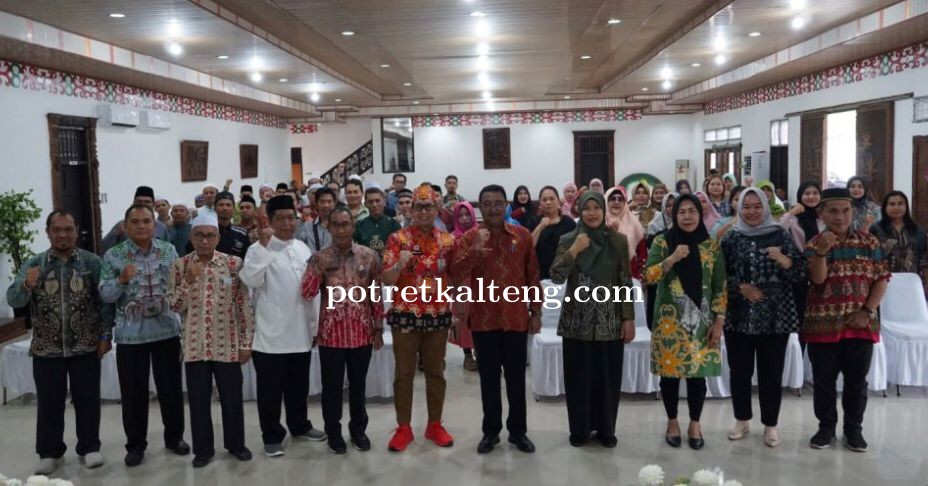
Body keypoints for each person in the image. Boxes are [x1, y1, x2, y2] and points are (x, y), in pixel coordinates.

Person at [6, 210, 108, 475]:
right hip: (46, 347)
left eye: (68, 229)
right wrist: (26, 286)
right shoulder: (34, 263)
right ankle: (50, 452)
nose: (63, 234)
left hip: (85, 345)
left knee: (87, 399)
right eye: (57, 229)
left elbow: (105, 302)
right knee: (50, 403)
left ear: (76, 231)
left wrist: (105, 336)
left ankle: (89, 447)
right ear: (48, 232)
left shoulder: (91, 262)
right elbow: (14, 300)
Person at [451, 185, 542, 454]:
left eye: (498, 203)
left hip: (515, 319)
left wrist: (535, 311)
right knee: (489, 381)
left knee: (516, 380)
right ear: (480, 207)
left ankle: (518, 432)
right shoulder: (469, 238)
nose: (493, 208)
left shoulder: (522, 236)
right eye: (487, 203)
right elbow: (455, 273)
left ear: (505, 205)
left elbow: (532, 276)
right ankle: (491, 432)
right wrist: (475, 251)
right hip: (484, 320)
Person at [99, 204, 188, 467]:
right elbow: (105, 295)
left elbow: (179, 288)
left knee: (171, 390)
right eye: (135, 222)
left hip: (166, 332)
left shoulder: (168, 250)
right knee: (134, 394)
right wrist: (122, 281)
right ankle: (136, 445)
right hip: (130, 337)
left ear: (154, 225)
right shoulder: (114, 256)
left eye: (146, 221)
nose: (141, 226)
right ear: (125, 226)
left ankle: (175, 438)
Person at [803, 188, 889, 452]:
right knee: (824, 381)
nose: (840, 217)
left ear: (853, 211)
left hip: (860, 325)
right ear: (821, 213)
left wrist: (867, 311)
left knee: (856, 381)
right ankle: (826, 428)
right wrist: (821, 252)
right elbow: (817, 280)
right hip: (822, 325)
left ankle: (854, 429)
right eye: (833, 211)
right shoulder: (813, 244)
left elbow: (882, 279)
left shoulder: (869, 242)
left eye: (845, 210)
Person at [240, 195, 326, 457]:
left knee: (298, 386)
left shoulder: (302, 248)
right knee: (270, 391)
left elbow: (314, 291)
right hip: (271, 335)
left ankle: (299, 426)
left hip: (300, 331)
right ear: (271, 221)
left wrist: (314, 327)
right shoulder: (258, 248)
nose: (287, 223)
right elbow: (250, 280)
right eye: (281, 218)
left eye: (291, 218)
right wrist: (265, 248)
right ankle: (272, 435)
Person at [720, 188, 807, 448]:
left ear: (766, 207)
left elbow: (800, 272)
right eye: (746, 207)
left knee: (771, 373)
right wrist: (739, 287)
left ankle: (771, 424)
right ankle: (742, 419)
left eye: (757, 206)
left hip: (775, 317)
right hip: (739, 316)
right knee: (740, 372)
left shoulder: (780, 234)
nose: (752, 211)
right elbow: (718, 275)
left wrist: (785, 260)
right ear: (739, 209)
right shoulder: (731, 238)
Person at [550, 191, 636, 448]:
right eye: (586, 208)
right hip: (577, 322)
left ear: (603, 209)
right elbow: (555, 276)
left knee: (607, 380)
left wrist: (628, 318)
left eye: (596, 207)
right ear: (579, 211)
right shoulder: (568, 239)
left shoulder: (618, 240)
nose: (591, 213)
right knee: (578, 380)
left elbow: (625, 280)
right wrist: (574, 251)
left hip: (610, 322)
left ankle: (607, 430)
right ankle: (579, 430)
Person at [167, 213, 254, 467]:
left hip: (226, 344)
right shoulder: (180, 266)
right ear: (192, 237)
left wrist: (246, 343)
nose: (204, 241)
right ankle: (203, 450)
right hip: (195, 346)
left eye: (210, 236)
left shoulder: (234, 264)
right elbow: (174, 305)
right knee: (198, 401)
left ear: (217, 237)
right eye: (199, 235)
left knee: (232, 399)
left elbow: (244, 307)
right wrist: (188, 281)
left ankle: (236, 444)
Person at [644, 194, 726, 451]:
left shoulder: (711, 247)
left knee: (697, 377)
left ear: (700, 215)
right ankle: (672, 422)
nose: (688, 216)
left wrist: (719, 320)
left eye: (692, 211)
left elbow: (720, 286)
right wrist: (670, 260)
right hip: (669, 321)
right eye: (682, 212)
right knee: (669, 376)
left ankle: (695, 424)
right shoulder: (662, 242)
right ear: (674, 216)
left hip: (702, 323)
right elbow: (648, 275)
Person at [301, 206, 384, 455]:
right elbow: (306, 293)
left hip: (361, 333)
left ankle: (358, 431)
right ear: (328, 226)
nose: (340, 228)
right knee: (332, 389)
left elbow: (376, 294)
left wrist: (378, 327)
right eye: (335, 224)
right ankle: (334, 434)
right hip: (331, 336)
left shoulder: (368, 256)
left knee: (358, 387)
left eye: (345, 223)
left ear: (352, 226)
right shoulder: (319, 258)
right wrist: (318, 270)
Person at [381, 183, 458, 452]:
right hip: (405, 315)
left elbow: (458, 278)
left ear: (437, 208)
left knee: (436, 373)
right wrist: (399, 264)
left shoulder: (448, 241)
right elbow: (387, 279)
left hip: (438, 315)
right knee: (404, 374)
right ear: (410, 209)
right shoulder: (398, 239)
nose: (424, 211)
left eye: (429, 206)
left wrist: (458, 313)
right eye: (419, 206)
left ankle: (434, 424)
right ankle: (404, 427)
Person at [869, 191, 927, 288]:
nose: (896, 207)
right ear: (885, 207)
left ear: (906, 206)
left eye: (900, 204)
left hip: (911, 281)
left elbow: (925, 261)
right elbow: (870, 258)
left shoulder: (917, 231)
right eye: (892, 204)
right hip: (882, 283)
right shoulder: (875, 229)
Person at [449, 200, 478, 371]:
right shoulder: (452, 238)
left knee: (481, 317)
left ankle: (480, 352)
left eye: (467, 214)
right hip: (462, 284)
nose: (465, 218)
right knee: (464, 318)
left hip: (481, 282)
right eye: (460, 215)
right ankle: (467, 354)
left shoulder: (481, 233)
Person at [645, 192, 678, 331]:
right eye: (669, 205)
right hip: (658, 279)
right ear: (664, 208)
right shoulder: (656, 229)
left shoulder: (692, 229)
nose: (672, 208)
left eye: (675, 204)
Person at [101, 186, 170, 252]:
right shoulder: (122, 225)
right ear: (134, 203)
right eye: (139, 202)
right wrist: (116, 233)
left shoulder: (161, 227)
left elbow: (168, 251)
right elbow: (103, 248)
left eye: (147, 202)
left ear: (153, 205)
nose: (143, 204)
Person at [530, 186, 577, 281]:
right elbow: (529, 246)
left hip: (565, 276)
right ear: (540, 204)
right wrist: (540, 226)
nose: (548, 202)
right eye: (544, 200)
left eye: (552, 199)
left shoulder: (569, 223)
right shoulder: (534, 222)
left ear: (558, 201)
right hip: (540, 277)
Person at [188, 191, 250, 260]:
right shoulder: (204, 232)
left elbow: (248, 260)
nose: (225, 208)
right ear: (214, 208)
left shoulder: (242, 234)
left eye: (228, 205)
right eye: (221, 205)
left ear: (234, 208)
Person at [604, 186, 647, 280]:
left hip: (631, 275)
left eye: (620, 199)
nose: (616, 202)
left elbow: (642, 253)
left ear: (625, 202)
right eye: (612, 199)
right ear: (606, 202)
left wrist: (641, 277)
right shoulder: (600, 223)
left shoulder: (634, 223)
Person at [354, 187, 401, 257]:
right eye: (370, 201)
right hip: (365, 265)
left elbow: (400, 248)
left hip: (389, 265)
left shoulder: (394, 224)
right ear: (365, 204)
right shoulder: (359, 225)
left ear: (384, 202)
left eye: (377, 201)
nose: (374, 205)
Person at [296, 187, 336, 252]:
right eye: (322, 202)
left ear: (334, 204)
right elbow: (299, 249)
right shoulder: (307, 227)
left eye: (329, 201)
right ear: (316, 204)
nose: (326, 205)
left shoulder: (341, 227)